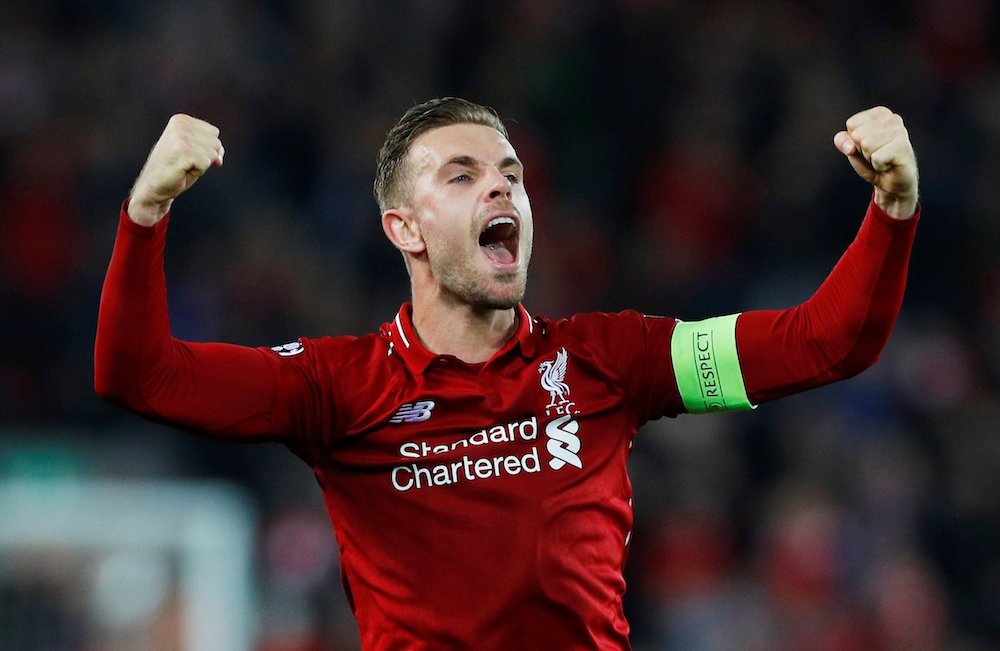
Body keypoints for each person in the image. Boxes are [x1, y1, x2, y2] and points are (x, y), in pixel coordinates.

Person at [95, 97, 919, 649]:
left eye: (512, 175)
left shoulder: (609, 360)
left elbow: (826, 342)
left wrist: (892, 210)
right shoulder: (336, 386)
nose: (502, 186)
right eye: (463, 174)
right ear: (405, 228)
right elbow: (140, 376)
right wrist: (144, 214)